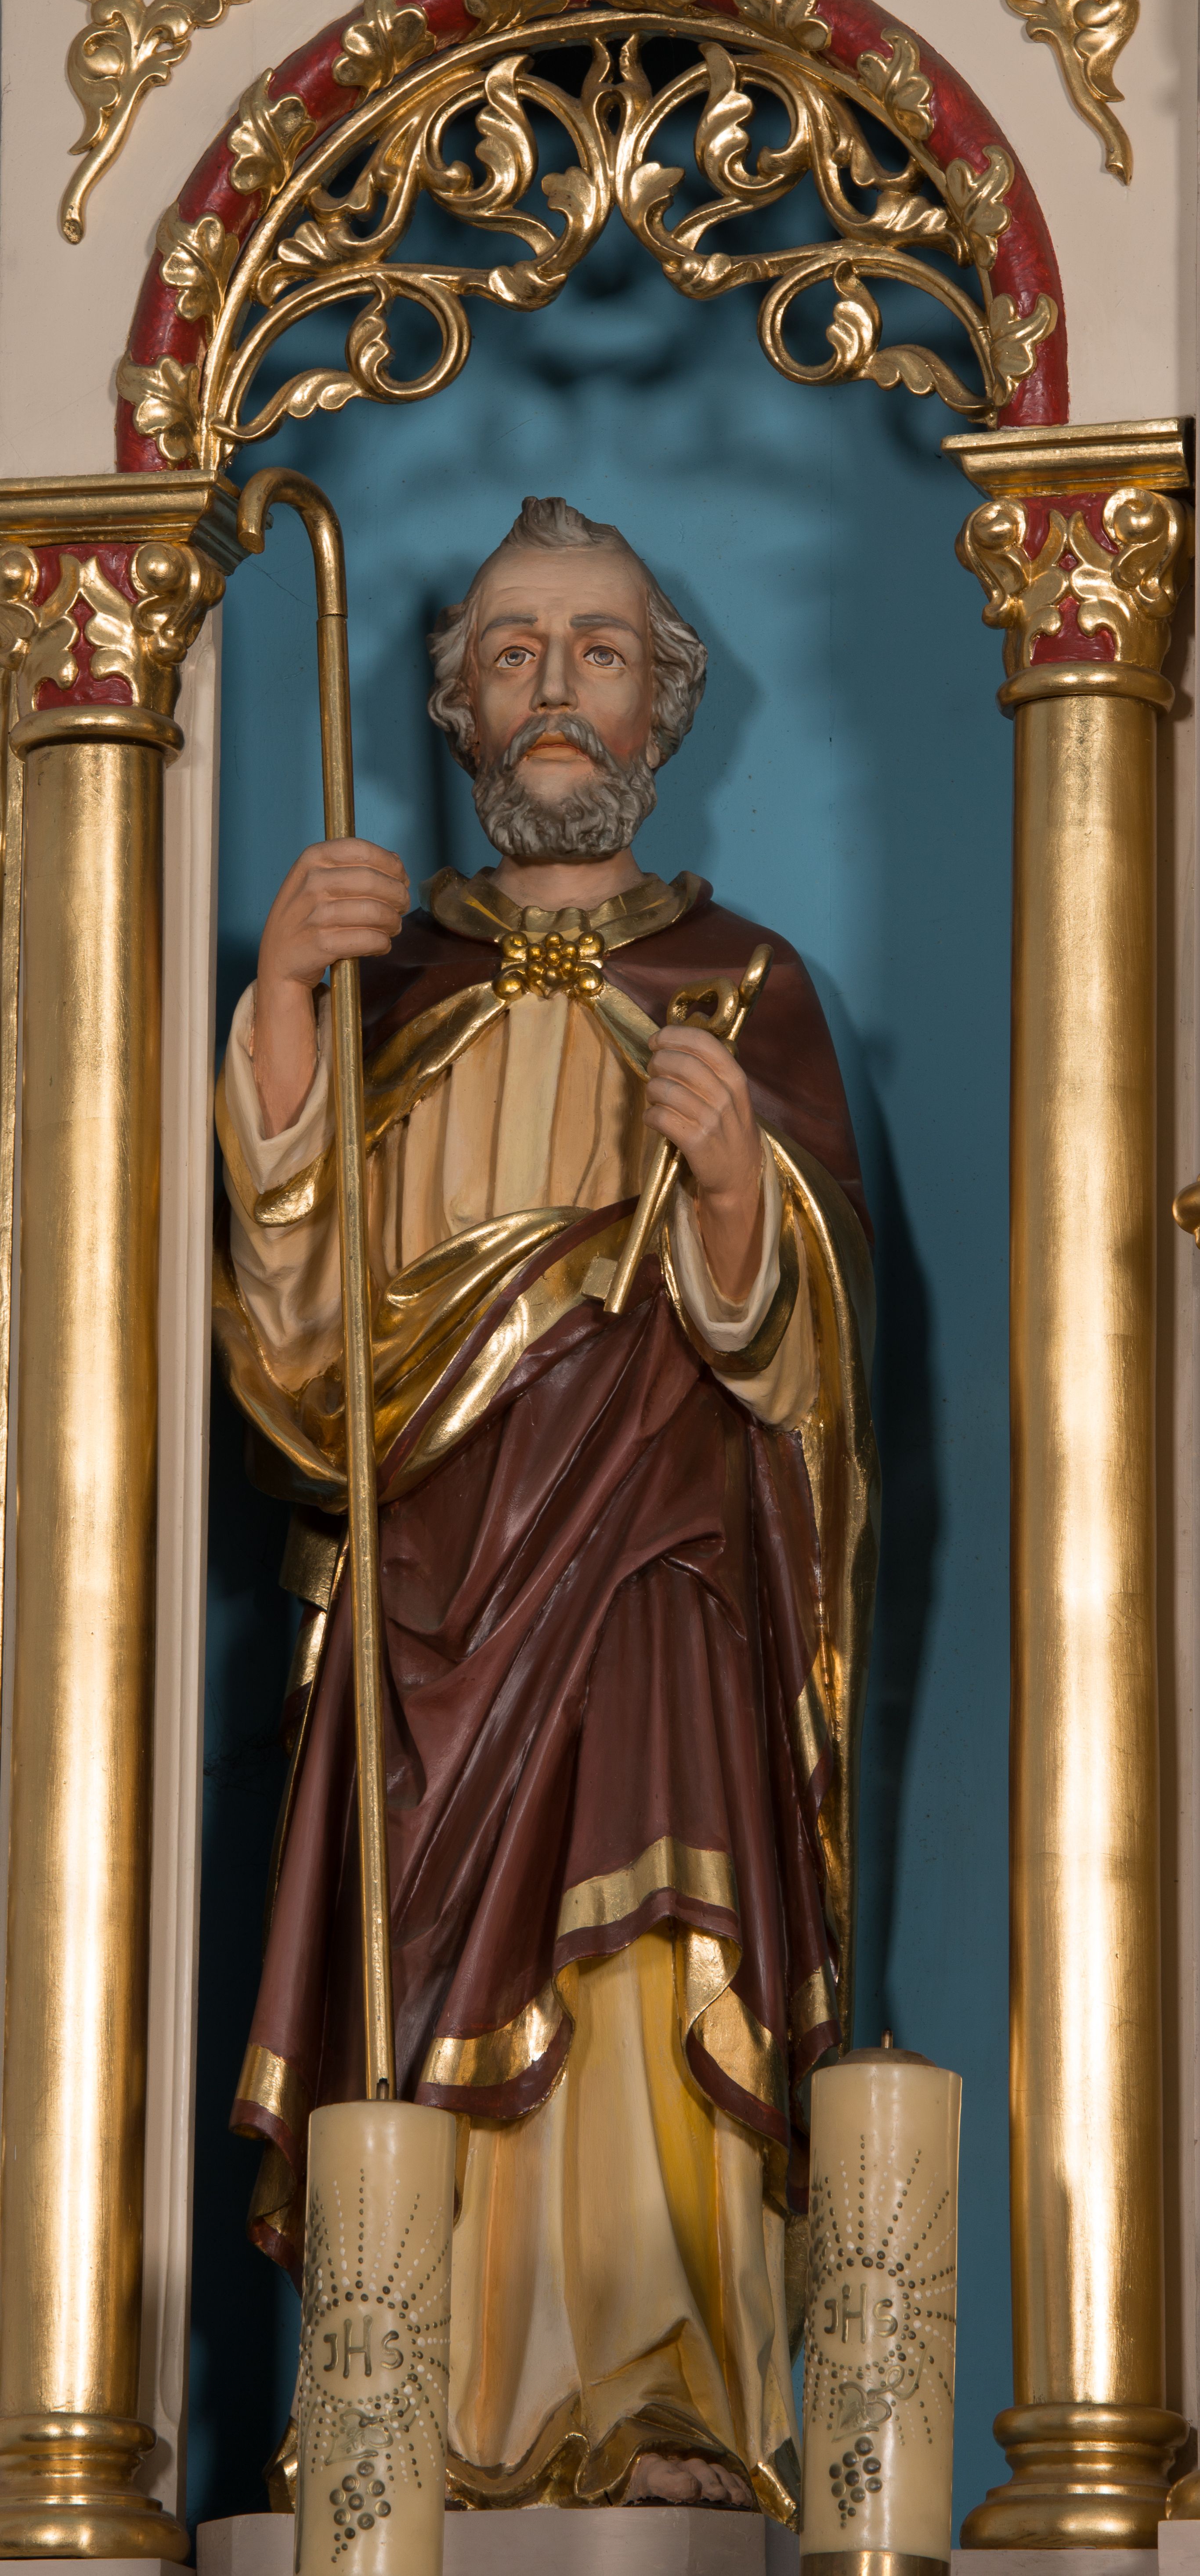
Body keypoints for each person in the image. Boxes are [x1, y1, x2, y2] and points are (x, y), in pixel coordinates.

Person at [215, 496, 878, 2520]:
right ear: (457, 708)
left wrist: (739, 1190)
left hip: (657, 1577)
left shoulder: (743, 990)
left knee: (646, 1962)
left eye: (596, 651)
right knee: (417, 1990)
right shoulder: (381, 988)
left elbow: (810, 1379)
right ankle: (402, 2398)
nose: (555, 689)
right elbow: (295, 1348)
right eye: (511, 653)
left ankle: (659, 2380)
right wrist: (281, 1012)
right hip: (427, 1597)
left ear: (659, 706)